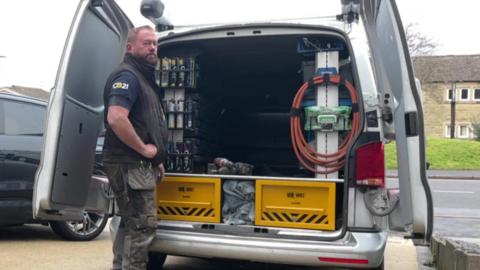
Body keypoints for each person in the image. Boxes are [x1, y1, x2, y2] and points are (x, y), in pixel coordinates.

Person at [102, 25, 168, 270]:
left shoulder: (142, 77)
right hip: (130, 163)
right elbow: (116, 117)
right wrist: (143, 150)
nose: (152, 47)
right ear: (130, 47)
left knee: (131, 223)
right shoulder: (128, 76)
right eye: (146, 43)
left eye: (155, 43)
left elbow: (143, 123)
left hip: (137, 163)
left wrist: (156, 158)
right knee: (142, 225)